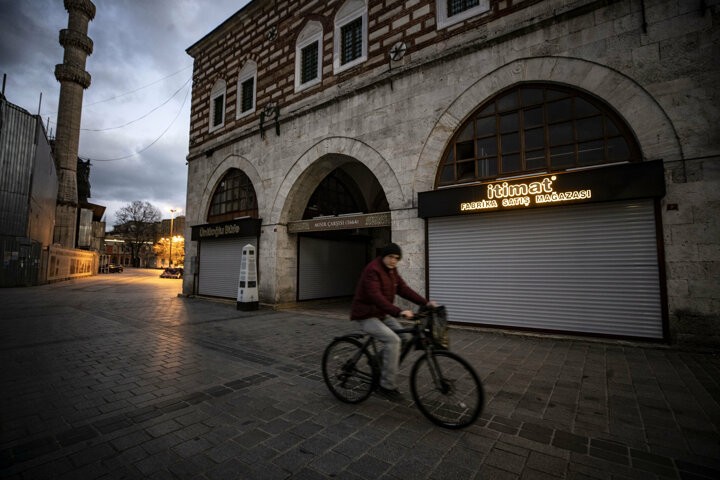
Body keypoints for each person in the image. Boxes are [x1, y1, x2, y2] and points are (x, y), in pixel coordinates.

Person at [350, 242, 437, 402]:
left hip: (382, 313)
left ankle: (378, 360)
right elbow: (376, 296)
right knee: (394, 340)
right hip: (366, 314)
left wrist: (425, 302)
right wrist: (399, 311)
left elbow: (404, 289)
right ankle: (386, 386)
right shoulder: (373, 270)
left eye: (397, 258)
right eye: (391, 257)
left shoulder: (392, 271)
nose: (393, 261)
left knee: (406, 339)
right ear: (384, 256)